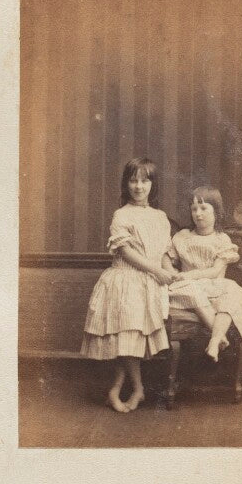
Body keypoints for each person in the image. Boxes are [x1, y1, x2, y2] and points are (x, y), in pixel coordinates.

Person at [81, 158, 175, 412]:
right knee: (126, 335)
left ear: (153, 185)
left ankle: (118, 389)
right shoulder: (121, 215)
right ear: (126, 184)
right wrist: (157, 271)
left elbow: (163, 253)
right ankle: (137, 389)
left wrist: (171, 273)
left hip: (150, 282)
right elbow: (125, 252)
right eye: (133, 180)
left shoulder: (160, 217)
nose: (139, 186)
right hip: (126, 280)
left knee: (129, 339)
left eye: (145, 181)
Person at [164, 186, 242, 362]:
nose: (198, 214)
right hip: (188, 286)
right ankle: (220, 337)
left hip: (213, 285)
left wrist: (190, 275)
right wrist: (172, 273)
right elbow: (166, 257)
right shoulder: (183, 236)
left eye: (203, 208)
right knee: (191, 291)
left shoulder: (221, 239)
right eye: (194, 209)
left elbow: (216, 271)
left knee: (231, 296)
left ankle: (215, 341)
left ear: (216, 211)